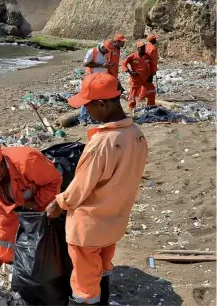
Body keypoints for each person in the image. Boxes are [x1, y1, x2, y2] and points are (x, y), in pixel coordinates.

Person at [46, 73, 148, 305]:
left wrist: (59, 203)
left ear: (102, 104)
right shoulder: (136, 135)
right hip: (114, 220)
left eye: (87, 106)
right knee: (103, 265)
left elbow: (80, 187)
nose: (86, 112)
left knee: (84, 282)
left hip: (88, 227)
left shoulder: (102, 143)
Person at [0, 143, 63, 264]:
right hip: (8, 205)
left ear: (1, 167)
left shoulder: (28, 161)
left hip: (38, 201)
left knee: (40, 239)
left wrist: (36, 201)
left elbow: (54, 181)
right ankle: (5, 258)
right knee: (6, 238)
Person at [79, 41, 117, 126]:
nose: (109, 52)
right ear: (103, 47)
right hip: (91, 79)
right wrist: (101, 65)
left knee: (99, 99)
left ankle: (95, 117)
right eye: (108, 50)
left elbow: (105, 64)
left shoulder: (108, 52)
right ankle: (83, 118)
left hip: (102, 79)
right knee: (87, 98)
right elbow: (85, 63)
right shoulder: (92, 51)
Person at [121, 41, 154, 109]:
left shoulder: (147, 56)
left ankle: (151, 106)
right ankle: (131, 107)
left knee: (152, 90)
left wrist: (151, 75)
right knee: (133, 94)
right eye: (142, 48)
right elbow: (123, 63)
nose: (144, 49)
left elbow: (152, 65)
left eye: (144, 47)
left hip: (146, 78)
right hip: (136, 78)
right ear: (138, 48)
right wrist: (129, 71)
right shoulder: (132, 56)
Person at [144, 35, 159, 103]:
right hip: (149, 69)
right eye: (155, 39)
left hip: (144, 68)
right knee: (148, 84)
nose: (156, 40)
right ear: (152, 40)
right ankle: (143, 97)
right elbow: (153, 61)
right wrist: (154, 70)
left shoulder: (145, 46)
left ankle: (143, 97)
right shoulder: (153, 48)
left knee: (145, 83)